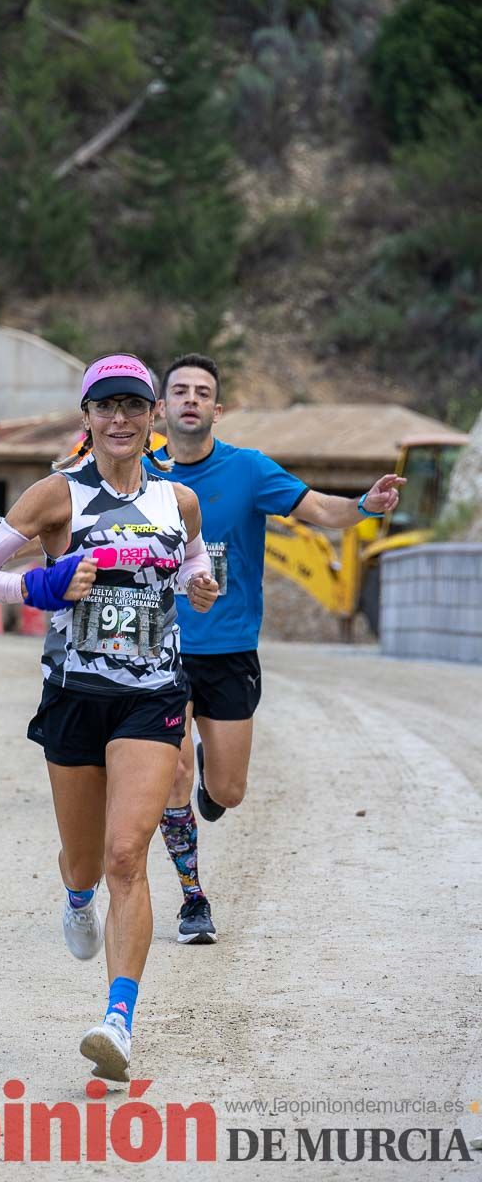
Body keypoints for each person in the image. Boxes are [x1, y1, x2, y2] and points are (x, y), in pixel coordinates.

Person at [0, 353, 219, 1081]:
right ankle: (75, 899)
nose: (122, 419)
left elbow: (194, 562)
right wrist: (47, 581)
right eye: (107, 407)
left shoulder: (178, 502)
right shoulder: (56, 495)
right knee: (83, 863)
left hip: (153, 697)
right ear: (88, 420)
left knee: (126, 856)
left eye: (134, 406)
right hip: (74, 696)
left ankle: (118, 1022)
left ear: (153, 416)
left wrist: (200, 585)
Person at [147, 353, 405, 945]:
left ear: (218, 408)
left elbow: (319, 510)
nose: (190, 399)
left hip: (230, 648)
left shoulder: (250, 470)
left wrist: (364, 506)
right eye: (179, 390)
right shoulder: (141, 475)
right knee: (170, 777)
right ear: (161, 407)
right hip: (158, 648)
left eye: (202, 392)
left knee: (227, 793)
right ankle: (193, 900)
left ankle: (212, 780)